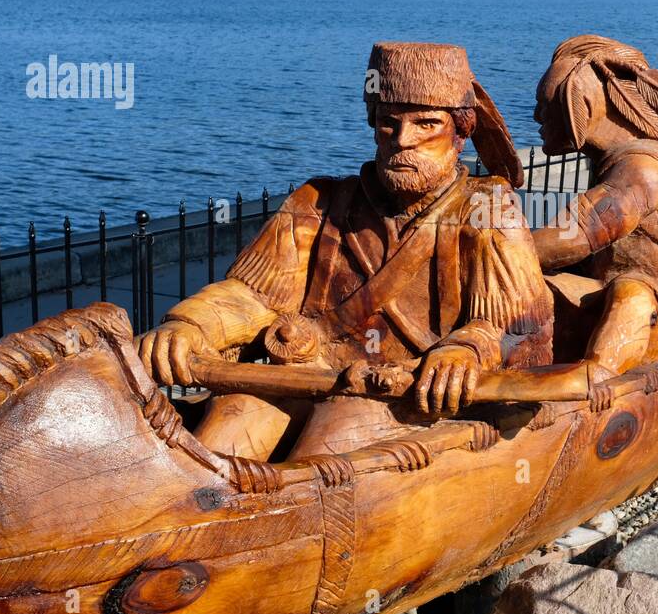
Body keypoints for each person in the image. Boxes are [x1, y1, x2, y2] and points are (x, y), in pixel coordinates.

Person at [136, 42, 553, 459]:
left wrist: (466, 347)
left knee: (328, 448)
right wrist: (192, 325)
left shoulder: (486, 209)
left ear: (460, 132)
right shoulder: (317, 202)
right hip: (306, 375)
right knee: (226, 431)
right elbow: (253, 297)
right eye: (389, 123)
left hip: (406, 394)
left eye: (426, 124)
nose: (403, 140)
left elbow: (521, 329)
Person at [531, 35, 658, 374]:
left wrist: (497, 249)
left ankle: (581, 380)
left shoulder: (642, 169)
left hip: (657, 317)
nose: (535, 117)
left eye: (545, 105)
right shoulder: (629, 158)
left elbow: (575, 236)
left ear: (581, 102)